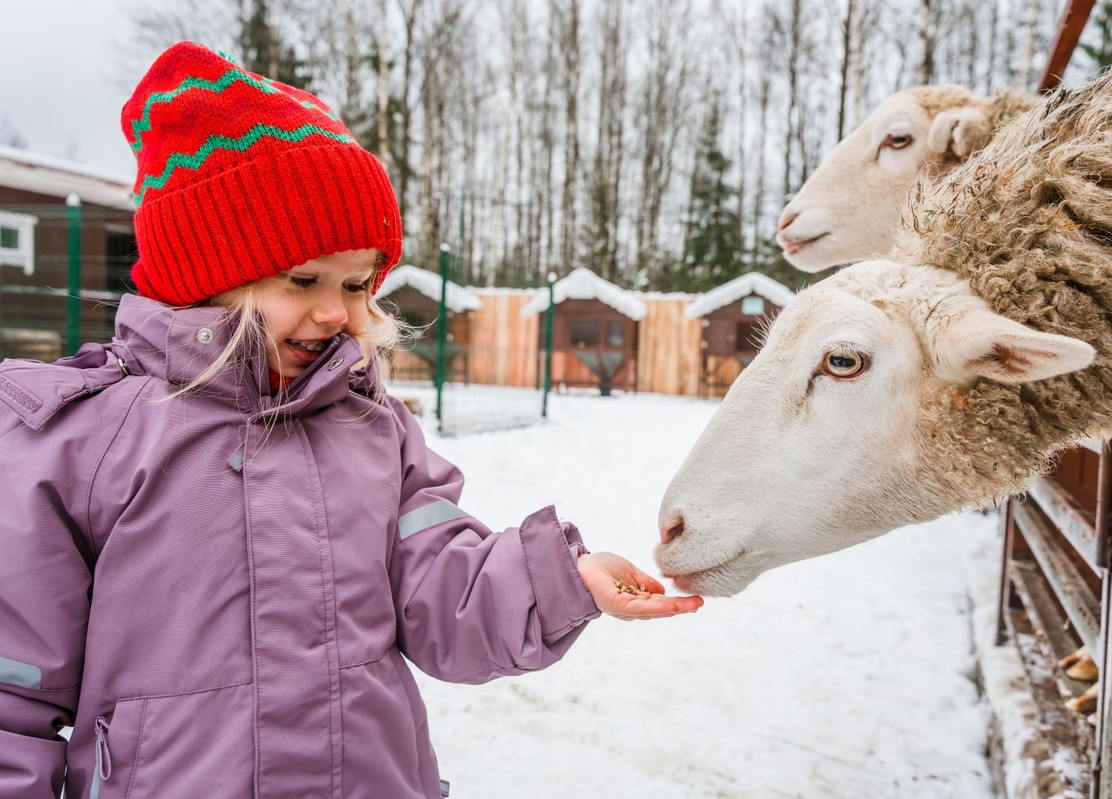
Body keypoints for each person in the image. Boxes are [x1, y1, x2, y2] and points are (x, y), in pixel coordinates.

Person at [0, 42, 702, 799]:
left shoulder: (374, 430)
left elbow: (438, 585)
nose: (337, 312)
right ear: (205, 274)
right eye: (303, 279)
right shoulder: (82, 443)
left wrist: (558, 581)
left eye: (358, 283)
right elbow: (13, 699)